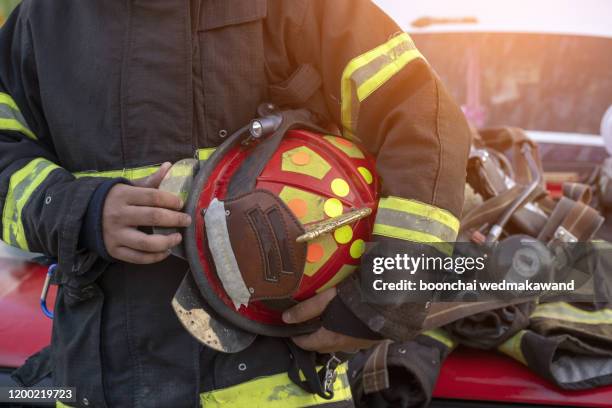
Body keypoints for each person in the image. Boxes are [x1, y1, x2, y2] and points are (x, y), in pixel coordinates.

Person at [0, 0, 470, 406]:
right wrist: (73, 210)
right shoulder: (41, 21)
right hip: (96, 379)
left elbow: (423, 122)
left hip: (274, 377)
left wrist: (378, 298)